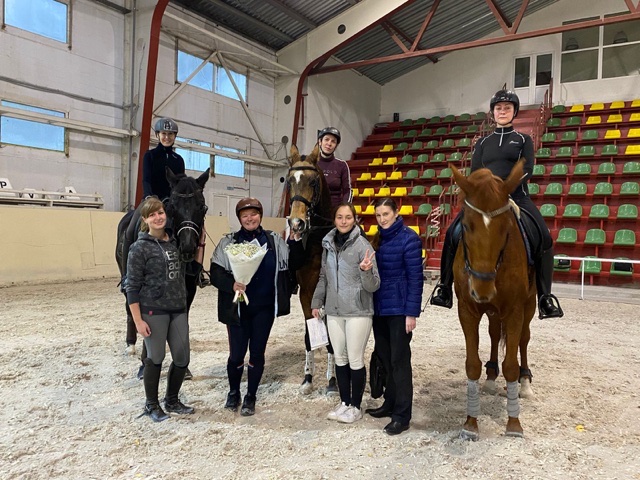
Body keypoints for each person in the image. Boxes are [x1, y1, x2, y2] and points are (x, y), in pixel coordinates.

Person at [429, 89, 564, 319]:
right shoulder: (483, 142)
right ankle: (445, 287)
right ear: (493, 112)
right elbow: (474, 173)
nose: (503, 111)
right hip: (484, 202)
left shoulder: (523, 140)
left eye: (507, 108)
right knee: (453, 233)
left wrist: (504, 189)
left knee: (544, 237)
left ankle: (545, 297)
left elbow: (527, 169)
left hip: (516, 196)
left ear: (514, 112)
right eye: (499, 108)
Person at [210, 198, 292, 416]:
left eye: (254, 214)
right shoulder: (228, 242)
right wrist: (231, 284)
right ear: (239, 219)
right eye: (245, 215)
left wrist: (296, 240)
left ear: (260, 216)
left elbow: (292, 263)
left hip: (264, 309)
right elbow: (215, 273)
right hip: (238, 309)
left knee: (257, 353)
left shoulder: (274, 241)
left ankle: (251, 395)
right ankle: (234, 392)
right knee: (236, 355)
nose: (249, 219)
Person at [126, 197, 194, 422]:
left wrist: (200, 244)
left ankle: (172, 400)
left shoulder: (174, 243)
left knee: (182, 358)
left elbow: (189, 269)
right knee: (155, 358)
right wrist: (138, 321)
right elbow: (132, 286)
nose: (158, 217)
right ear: (145, 219)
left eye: (161, 212)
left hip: (178, 309)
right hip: (153, 311)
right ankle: (151, 404)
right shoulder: (139, 248)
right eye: (152, 214)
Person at [311, 204, 380, 424]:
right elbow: (324, 277)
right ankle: (345, 402)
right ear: (334, 219)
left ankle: (356, 406)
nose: (343, 221)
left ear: (355, 219)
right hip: (334, 311)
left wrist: (366, 271)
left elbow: (373, 285)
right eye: (339, 217)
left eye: (348, 217)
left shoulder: (363, 246)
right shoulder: (328, 244)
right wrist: (316, 301)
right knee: (339, 358)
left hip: (358, 311)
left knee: (355, 358)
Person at [366, 198, 423, 435]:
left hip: (399, 311)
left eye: (386, 214)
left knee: (400, 362)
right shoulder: (377, 239)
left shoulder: (410, 239)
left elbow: (415, 279)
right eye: (378, 215)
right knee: (385, 358)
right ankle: (389, 403)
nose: (382, 219)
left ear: (396, 213)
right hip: (380, 309)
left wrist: (411, 312)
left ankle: (402, 414)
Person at [142, 117, 185, 201]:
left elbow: (180, 184)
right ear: (157, 135)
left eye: (170, 134)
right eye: (163, 133)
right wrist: (148, 196)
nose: (167, 137)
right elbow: (146, 180)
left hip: (172, 201)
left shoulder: (179, 160)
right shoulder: (150, 155)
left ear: (175, 136)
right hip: (152, 199)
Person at [317, 127, 352, 207]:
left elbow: (347, 191)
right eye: (326, 139)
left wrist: (344, 208)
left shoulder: (342, 165)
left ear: (336, 145)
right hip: (315, 210)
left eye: (333, 141)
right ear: (320, 142)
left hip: (335, 210)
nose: (329, 144)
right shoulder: (311, 163)